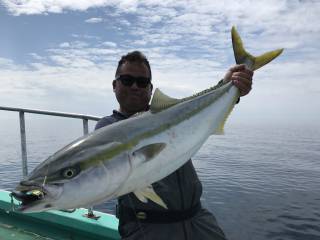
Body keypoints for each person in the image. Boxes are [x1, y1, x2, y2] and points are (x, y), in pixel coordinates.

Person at [95, 51, 253, 240]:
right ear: (115, 85)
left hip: (199, 219)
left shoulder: (171, 117)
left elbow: (202, 113)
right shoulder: (107, 129)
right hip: (149, 228)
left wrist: (231, 88)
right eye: (127, 80)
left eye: (142, 82)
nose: (135, 87)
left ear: (151, 88)